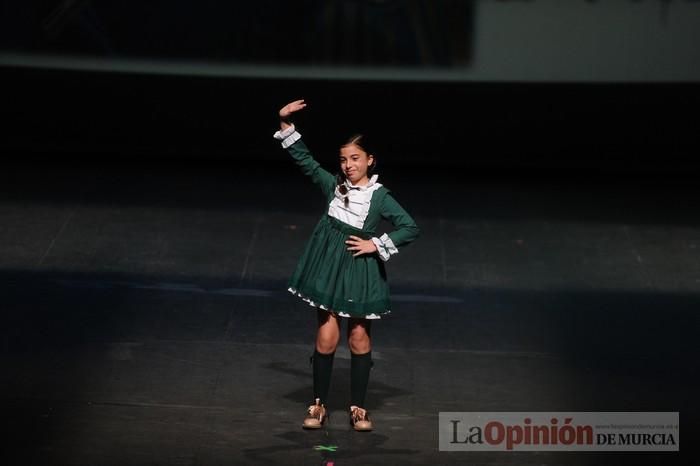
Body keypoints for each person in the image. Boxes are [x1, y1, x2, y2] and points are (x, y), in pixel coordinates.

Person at [273, 99, 419, 432]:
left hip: (359, 267)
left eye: (355, 158)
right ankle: (319, 405)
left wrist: (376, 243)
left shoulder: (380, 196)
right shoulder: (334, 187)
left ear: (370, 160)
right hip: (327, 265)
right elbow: (306, 161)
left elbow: (410, 226)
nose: (348, 164)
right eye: (343, 159)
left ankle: (359, 407)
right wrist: (284, 123)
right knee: (326, 336)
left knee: (358, 338)